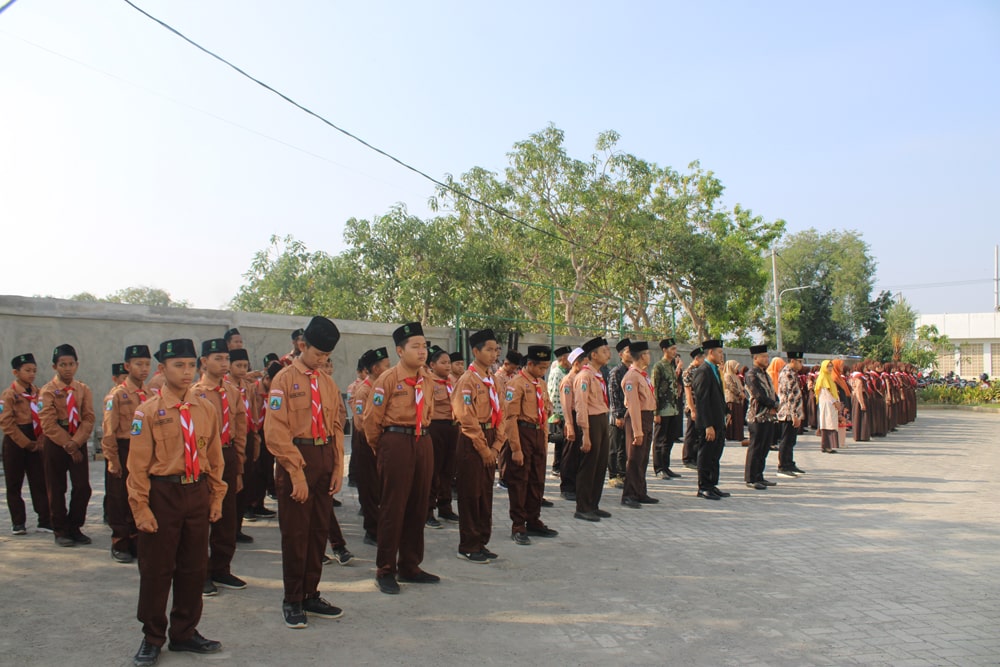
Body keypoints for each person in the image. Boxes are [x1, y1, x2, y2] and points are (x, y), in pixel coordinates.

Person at [126, 338, 226, 666]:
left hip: (196, 491)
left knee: (194, 567)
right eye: (177, 365)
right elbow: (138, 466)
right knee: (157, 568)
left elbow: (214, 458)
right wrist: (140, 507)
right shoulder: (148, 412)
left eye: (189, 365)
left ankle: (184, 632)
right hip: (163, 494)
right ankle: (152, 636)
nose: (186, 372)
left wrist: (216, 497)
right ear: (162, 369)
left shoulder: (205, 409)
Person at [264, 316, 346, 628]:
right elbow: (275, 432)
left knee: (317, 532)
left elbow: (337, 428)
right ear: (302, 346)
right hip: (296, 458)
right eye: (317, 355)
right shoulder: (283, 381)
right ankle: (293, 598)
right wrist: (295, 472)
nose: (321, 362)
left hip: (324, 456)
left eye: (327, 358)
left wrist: (337, 467)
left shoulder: (327, 382)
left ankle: (311, 593)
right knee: (296, 533)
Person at [362, 321, 440, 594]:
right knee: (393, 507)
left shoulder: (427, 378)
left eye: (425, 346)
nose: (422, 351)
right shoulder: (388, 379)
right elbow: (371, 420)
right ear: (399, 350)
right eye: (415, 346)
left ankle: (410, 565)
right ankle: (385, 569)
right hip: (395, 441)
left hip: (423, 440)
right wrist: (382, 448)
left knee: (419, 506)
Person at [192, 339, 248, 596]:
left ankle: (221, 568)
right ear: (204, 362)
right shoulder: (193, 393)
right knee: (203, 518)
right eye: (218, 359)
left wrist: (238, 466)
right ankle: (199, 574)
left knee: (227, 516)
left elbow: (239, 429)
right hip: (204, 461)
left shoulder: (232, 392)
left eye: (226, 359)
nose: (224, 364)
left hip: (228, 455)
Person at [451, 328, 505, 563]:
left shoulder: (492, 379)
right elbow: (467, 418)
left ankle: (482, 540)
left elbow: (502, 413)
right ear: (476, 351)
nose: (494, 354)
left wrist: (496, 447)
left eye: (496, 350)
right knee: (470, 493)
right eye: (489, 350)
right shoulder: (467, 381)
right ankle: (468, 544)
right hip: (473, 441)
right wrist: (484, 449)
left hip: (491, 437)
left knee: (485, 493)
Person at [502, 345, 558, 545]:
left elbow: (546, 407)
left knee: (537, 479)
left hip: (538, 432)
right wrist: (515, 448)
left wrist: (544, 436)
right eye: (541, 367)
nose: (544, 371)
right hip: (522, 432)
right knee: (519, 480)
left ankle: (533, 519)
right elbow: (510, 418)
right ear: (530, 364)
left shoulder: (540, 384)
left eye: (546, 367)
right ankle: (518, 524)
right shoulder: (516, 384)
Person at [40, 344, 95, 547]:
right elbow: (47, 422)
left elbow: (88, 417)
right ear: (55, 366)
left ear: (77, 365)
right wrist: (67, 443)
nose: (67, 368)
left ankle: (75, 526)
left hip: (77, 438)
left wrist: (76, 442)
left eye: (71, 364)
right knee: (56, 487)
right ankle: (60, 529)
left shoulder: (83, 389)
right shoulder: (48, 391)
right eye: (63, 364)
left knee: (82, 487)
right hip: (56, 443)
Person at [102, 344, 153, 563]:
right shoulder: (117, 395)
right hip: (123, 449)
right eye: (138, 364)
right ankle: (120, 542)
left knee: (140, 494)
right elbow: (109, 431)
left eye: (147, 364)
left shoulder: (150, 393)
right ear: (127, 366)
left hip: (144, 450)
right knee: (119, 498)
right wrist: (112, 460)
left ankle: (137, 540)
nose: (144, 369)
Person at [1, 353, 51, 535]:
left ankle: (45, 519)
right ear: (16, 372)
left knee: (39, 481)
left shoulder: (38, 393)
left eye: (34, 370)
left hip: (36, 437)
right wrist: (26, 443)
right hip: (16, 441)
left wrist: (40, 439)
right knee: (14, 482)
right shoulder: (9, 395)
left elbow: (44, 415)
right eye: (27, 370)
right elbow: (6, 423)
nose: (32, 374)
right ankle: (18, 522)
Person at [572, 337, 613, 522]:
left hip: (602, 418)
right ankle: (582, 507)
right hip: (590, 421)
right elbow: (581, 406)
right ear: (593, 355)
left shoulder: (598, 374)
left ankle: (593, 504)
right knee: (589, 465)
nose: (608, 354)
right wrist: (585, 434)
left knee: (600, 464)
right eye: (604, 351)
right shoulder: (584, 376)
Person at [353, 347, 389, 545]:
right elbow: (360, 421)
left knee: (380, 487)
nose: (390, 369)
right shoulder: (364, 390)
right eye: (386, 366)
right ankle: (372, 530)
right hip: (366, 441)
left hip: (380, 440)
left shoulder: (381, 387)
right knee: (370, 486)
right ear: (376, 369)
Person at [227, 348, 260, 544]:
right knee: (231, 487)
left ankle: (237, 527)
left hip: (246, 437)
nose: (241, 369)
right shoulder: (225, 388)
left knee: (245, 483)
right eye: (238, 365)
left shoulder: (248, 387)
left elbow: (253, 412)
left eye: (244, 366)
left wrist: (255, 438)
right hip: (230, 439)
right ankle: (226, 529)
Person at [620, 341, 658, 508]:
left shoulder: (643, 374)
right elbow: (634, 405)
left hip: (647, 416)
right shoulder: (631, 377)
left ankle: (640, 491)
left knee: (642, 458)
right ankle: (629, 494)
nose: (649, 356)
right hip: (638, 418)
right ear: (642, 356)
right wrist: (637, 431)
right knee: (634, 458)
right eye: (648, 354)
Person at [691, 339, 730, 500]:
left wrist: (726, 411)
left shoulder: (715, 369)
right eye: (719, 352)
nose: (722, 355)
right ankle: (703, 486)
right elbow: (702, 400)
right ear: (711, 353)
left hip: (718, 420)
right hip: (708, 423)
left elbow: (718, 395)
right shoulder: (703, 370)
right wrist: (708, 425)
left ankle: (712, 484)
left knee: (715, 454)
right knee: (706, 454)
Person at [427, 348, 460, 527]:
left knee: (449, 470)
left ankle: (445, 507)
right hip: (435, 427)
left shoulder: (453, 382)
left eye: (448, 363)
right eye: (443, 362)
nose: (447, 366)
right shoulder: (427, 382)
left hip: (452, 427)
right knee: (433, 470)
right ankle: (428, 510)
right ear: (432, 365)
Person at [744, 345, 778, 490]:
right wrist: (772, 405)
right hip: (757, 417)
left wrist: (776, 403)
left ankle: (759, 475)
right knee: (756, 448)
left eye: (767, 356)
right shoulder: (751, 374)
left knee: (764, 448)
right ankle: (751, 478)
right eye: (763, 356)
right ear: (755, 358)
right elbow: (758, 395)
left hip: (768, 417)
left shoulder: (765, 374)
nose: (766, 359)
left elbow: (772, 392)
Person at [651, 338, 682, 480]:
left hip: (673, 409)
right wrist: (655, 412)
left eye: (675, 349)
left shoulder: (671, 366)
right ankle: (658, 468)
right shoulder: (659, 366)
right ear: (664, 350)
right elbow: (655, 389)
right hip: (662, 410)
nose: (675, 352)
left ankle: (666, 466)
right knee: (659, 440)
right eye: (672, 349)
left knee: (669, 439)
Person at [558, 348, 584, 501]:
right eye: (584, 363)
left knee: (579, 454)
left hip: (581, 416)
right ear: (576, 363)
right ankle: (567, 486)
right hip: (572, 417)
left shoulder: (583, 378)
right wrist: (569, 424)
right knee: (569, 454)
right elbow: (566, 405)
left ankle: (576, 485)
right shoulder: (568, 380)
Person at [776, 352, 807, 477]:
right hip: (788, 413)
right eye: (800, 361)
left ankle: (789, 463)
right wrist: (794, 414)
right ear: (792, 361)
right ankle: (783, 466)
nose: (801, 364)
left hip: (793, 412)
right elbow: (790, 396)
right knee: (786, 439)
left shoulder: (793, 373)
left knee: (791, 440)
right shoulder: (787, 373)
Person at [606, 339, 631, 489]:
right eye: (628, 351)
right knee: (614, 447)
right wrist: (618, 416)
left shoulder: (632, 370)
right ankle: (613, 476)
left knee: (624, 447)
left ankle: (622, 473)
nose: (631, 354)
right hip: (617, 416)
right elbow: (613, 394)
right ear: (621, 354)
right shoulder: (616, 371)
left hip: (628, 414)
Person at [546, 346, 572, 477]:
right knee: (560, 440)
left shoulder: (565, 372)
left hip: (564, 411)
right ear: (563, 358)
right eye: (569, 357)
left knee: (563, 441)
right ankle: (556, 466)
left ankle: (561, 465)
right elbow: (554, 393)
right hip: (559, 412)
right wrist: (556, 414)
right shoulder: (557, 373)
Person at [680, 348, 704, 469]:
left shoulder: (700, 370)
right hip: (692, 406)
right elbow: (688, 393)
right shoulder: (689, 372)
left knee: (698, 433)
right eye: (702, 358)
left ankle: (695, 457)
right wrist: (692, 409)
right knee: (691, 433)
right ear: (697, 358)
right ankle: (688, 458)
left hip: (701, 406)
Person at [815, 360, 841, 453]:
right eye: (828, 366)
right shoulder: (822, 378)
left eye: (831, 366)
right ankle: (826, 446)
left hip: (831, 404)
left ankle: (827, 446)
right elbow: (826, 393)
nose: (830, 368)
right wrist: (835, 402)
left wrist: (836, 401)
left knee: (829, 424)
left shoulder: (829, 378)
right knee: (826, 424)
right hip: (826, 403)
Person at [722, 360, 746, 443]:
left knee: (738, 417)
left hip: (738, 399)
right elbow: (731, 386)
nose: (737, 368)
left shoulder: (735, 376)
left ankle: (738, 435)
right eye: (735, 366)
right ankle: (730, 435)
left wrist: (742, 393)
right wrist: (739, 393)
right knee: (732, 417)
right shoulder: (727, 376)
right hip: (731, 399)